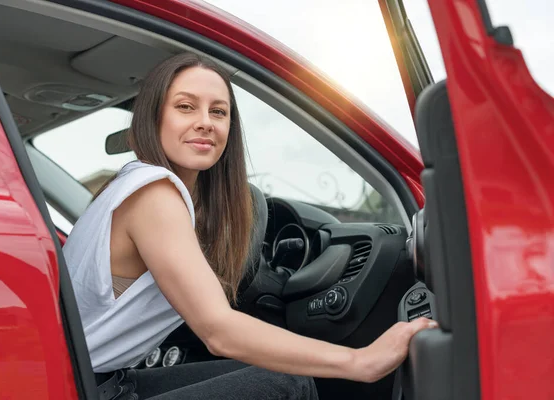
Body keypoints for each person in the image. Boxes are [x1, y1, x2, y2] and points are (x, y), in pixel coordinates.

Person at [63, 52, 436, 400]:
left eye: (219, 112)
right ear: (153, 117)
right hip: (83, 387)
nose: (205, 122)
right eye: (185, 107)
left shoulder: (133, 184)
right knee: (286, 383)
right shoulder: (154, 194)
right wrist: (361, 362)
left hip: (99, 378)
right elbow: (218, 331)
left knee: (269, 372)